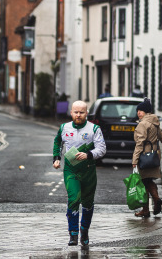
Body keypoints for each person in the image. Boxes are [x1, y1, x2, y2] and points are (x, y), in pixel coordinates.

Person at [53, 100, 106, 246]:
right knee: (74, 198)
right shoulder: (64, 127)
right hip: (71, 170)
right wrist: (56, 158)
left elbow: (102, 149)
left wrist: (88, 154)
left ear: (86, 113)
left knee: (87, 204)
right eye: (75, 112)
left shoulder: (94, 129)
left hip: (88, 170)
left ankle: (85, 230)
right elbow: (58, 142)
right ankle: (73, 234)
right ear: (71, 113)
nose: (78, 115)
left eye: (81, 112)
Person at [132, 98, 162, 217]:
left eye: (140, 111)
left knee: (144, 181)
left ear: (146, 112)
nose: (138, 113)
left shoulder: (143, 124)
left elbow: (140, 143)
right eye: (138, 111)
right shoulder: (155, 123)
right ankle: (154, 201)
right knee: (148, 180)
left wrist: (134, 160)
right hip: (154, 156)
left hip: (144, 157)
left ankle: (148, 207)